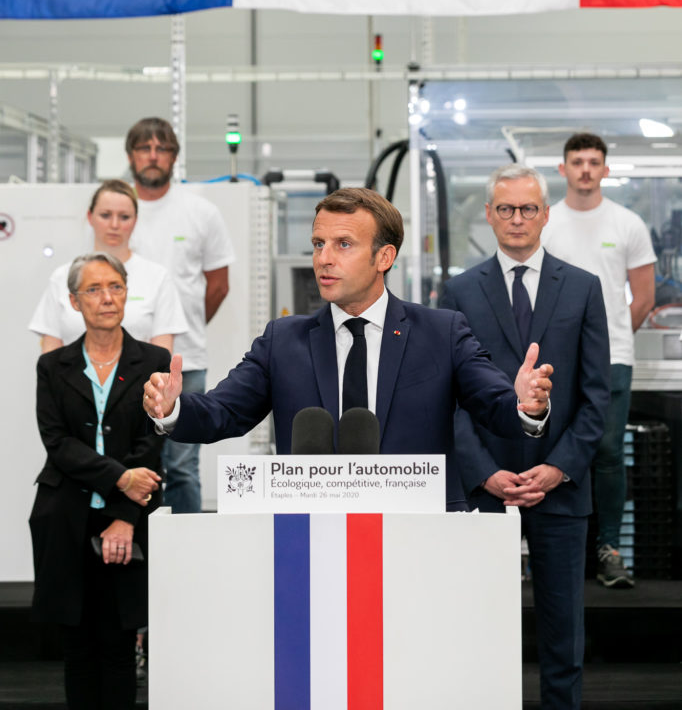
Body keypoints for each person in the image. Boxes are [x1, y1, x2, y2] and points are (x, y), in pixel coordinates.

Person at [143, 188, 553, 511]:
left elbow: (494, 406)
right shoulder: (283, 340)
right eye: (318, 243)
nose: (323, 258)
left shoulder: (441, 332)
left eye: (343, 244)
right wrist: (173, 408)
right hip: (312, 535)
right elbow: (223, 413)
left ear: (384, 257)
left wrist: (526, 405)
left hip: (420, 532)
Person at [440, 165, 610, 710]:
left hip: (560, 487)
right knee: (478, 625)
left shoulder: (583, 288)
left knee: (563, 633)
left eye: (528, 208)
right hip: (485, 489)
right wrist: (483, 472)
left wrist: (559, 467)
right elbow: (448, 398)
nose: (518, 219)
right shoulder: (459, 292)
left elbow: (596, 395)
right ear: (489, 215)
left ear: (546, 214)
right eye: (507, 209)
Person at [29, 253, 168, 710]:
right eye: (94, 289)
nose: (107, 298)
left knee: (118, 646)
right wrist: (120, 477)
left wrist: (125, 516)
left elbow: (152, 444)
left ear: (127, 293)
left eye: (116, 287)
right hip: (66, 519)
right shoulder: (53, 366)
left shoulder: (153, 360)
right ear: (74, 301)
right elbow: (58, 443)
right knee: (77, 650)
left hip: (129, 519)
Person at [542, 132, 656, 588]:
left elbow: (643, 298)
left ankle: (609, 551)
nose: (585, 169)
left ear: (605, 169)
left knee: (607, 454)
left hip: (614, 359)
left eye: (593, 162)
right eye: (577, 161)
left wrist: (605, 345)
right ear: (563, 169)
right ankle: (551, 551)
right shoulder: (547, 224)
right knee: (554, 452)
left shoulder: (627, 224)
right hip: (555, 362)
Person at [125, 117, 235, 514]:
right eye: (145, 148)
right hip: (121, 362)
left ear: (174, 156)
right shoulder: (119, 211)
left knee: (183, 468)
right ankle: (133, 547)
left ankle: (186, 549)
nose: (153, 156)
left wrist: (176, 328)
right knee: (126, 465)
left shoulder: (200, 212)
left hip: (184, 361)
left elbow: (218, 285)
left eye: (163, 148)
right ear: (131, 156)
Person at [29, 179, 187, 354]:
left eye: (124, 217)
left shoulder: (157, 278)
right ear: (90, 217)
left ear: (135, 220)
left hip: (142, 373)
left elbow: (162, 356)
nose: (114, 225)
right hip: (73, 373)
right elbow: (50, 354)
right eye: (105, 215)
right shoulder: (62, 277)